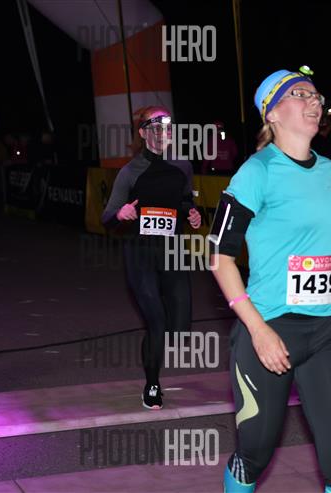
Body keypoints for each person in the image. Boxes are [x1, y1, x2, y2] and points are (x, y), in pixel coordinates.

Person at [211, 67, 331, 493]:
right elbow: (220, 258)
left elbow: (322, 243)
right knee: (255, 454)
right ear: (273, 113)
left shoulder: (328, 171)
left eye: (316, 95)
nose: (314, 101)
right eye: (300, 94)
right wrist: (257, 329)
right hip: (269, 327)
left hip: (325, 331)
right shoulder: (256, 171)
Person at [101, 106, 201, 410]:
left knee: (179, 326)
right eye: (156, 128)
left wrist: (192, 213)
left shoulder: (182, 166)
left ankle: (158, 350)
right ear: (144, 134)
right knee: (156, 321)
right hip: (141, 253)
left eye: (167, 128)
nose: (163, 134)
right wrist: (120, 214)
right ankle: (152, 384)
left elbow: (184, 200)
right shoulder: (130, 172)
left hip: (172, 253)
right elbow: (107, 217)